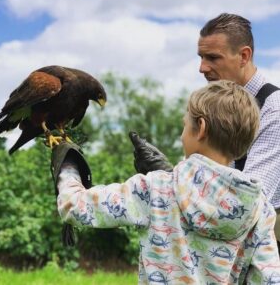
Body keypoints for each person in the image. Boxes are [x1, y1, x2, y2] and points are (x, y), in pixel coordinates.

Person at [51, 80, 280, 284]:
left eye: (184, 124)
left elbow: (75, 206)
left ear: (200, 128)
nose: (182, 135)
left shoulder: (155, 189)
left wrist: (68, 161)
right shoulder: (261, 210)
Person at [133, 13, 280, 252]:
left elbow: (249, 203)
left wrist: (168, 180)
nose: (202, 68)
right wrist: (170, 176)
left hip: (262, 251)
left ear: (244, 56)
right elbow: (202, 182)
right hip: (221, 247)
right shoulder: (213, 104)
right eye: (201, 57)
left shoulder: (274, 109)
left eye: (213, 57)